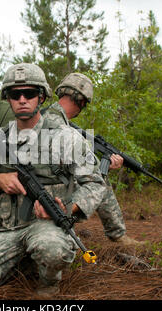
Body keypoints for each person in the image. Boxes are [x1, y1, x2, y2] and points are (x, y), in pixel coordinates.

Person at [0, 63, 106, 297]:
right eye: (15, 94)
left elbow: (94, 183)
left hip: (47, 226)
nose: (22, 99)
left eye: (30, 93)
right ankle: (17, 259)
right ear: (8, 99)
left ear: (41, 97)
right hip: (6, 230)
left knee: (53, 249)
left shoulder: (66, 137)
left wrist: (68, 208)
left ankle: (48, 283)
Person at [46, 72, 144, 246]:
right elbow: (92, 178)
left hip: (27, 199)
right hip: (53, 202)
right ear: (82, 102)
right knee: (100, 182)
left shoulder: (39, 116)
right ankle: (118, 235)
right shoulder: (67, 132)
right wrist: (104, 168)